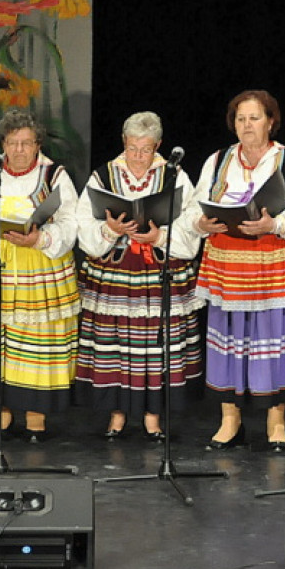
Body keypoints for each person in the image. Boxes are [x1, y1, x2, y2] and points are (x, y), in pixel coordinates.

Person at [187, 89, 285, 451]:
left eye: (254, 117)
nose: (246, 125)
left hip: (275, 267)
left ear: (270, 121)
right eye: (240, 118)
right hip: (227, 268)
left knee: (270, 343)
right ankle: (230, 420)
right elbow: (196, 205)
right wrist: (202, 223)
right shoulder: (218, 160)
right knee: (229, 343)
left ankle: (276, 421)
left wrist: (274, 225)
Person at [74, 111, 203, 440]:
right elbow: (83, 225)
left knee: (155, 345)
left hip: (158, 271)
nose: (138, 156)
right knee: (115, 345)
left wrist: (159, 236)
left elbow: (191, 221)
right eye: (132, 148)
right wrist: (109, 229)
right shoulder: (103, 176)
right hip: (116, 272)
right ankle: (116, 416)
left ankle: (152, 417)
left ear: (158, 145)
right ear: (123, 143)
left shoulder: (173, 176)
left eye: (145, 149)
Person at [0, 109, 80, 442]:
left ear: (38, 144)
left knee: (36, 342)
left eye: (26, 143)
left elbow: (71, 221)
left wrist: (40, 238)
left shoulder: (55, 176)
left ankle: (36, 419)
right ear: (3, 143)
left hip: (39, 265)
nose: (19, 149)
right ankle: (1, 415)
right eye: (13, 142)